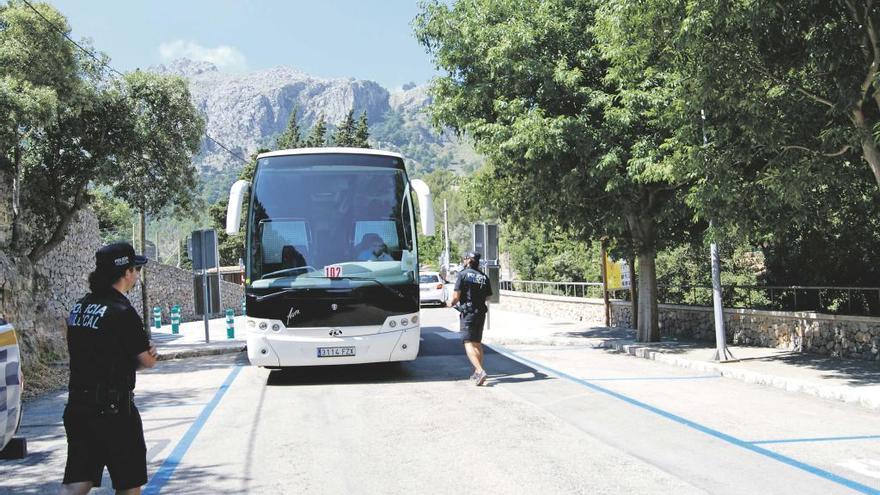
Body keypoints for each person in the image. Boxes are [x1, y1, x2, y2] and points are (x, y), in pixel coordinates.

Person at [60, 242, 158, 495]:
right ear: (126, 273)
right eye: (135, 269)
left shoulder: (80, 307)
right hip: (115, 411)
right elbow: (146, 361)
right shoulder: (122, 311)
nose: (137, 275)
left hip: (78, 406)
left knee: (77, 480)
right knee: (128, 482)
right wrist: (150, 353)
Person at [448, 251, 493, 386]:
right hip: (481, 313)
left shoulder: (463, 274)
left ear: (468, 260)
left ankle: (480, 371)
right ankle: (476, 372)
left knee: (468, 342)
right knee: (477, 343)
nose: (464, 260)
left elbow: (456, 297)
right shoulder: (484, 276)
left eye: (465, 258)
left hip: (468, 314)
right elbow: (488, 296)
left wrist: (450, 303)